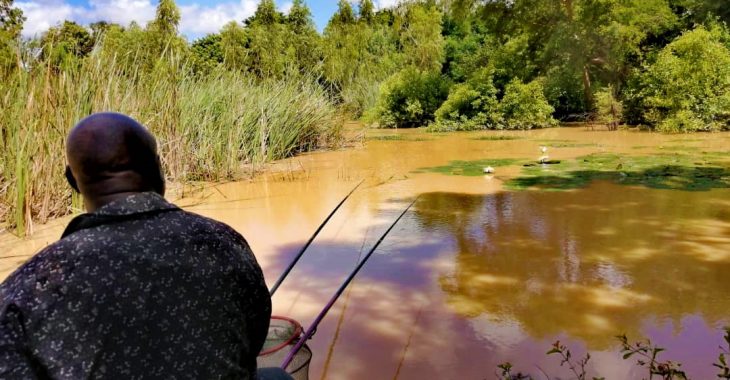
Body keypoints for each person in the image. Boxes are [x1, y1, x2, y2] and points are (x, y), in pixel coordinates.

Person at [0, 113, 287, 379]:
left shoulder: (28, 288)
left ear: (72, 181)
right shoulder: (224, 243)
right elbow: (255, 335)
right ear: (158, 169)